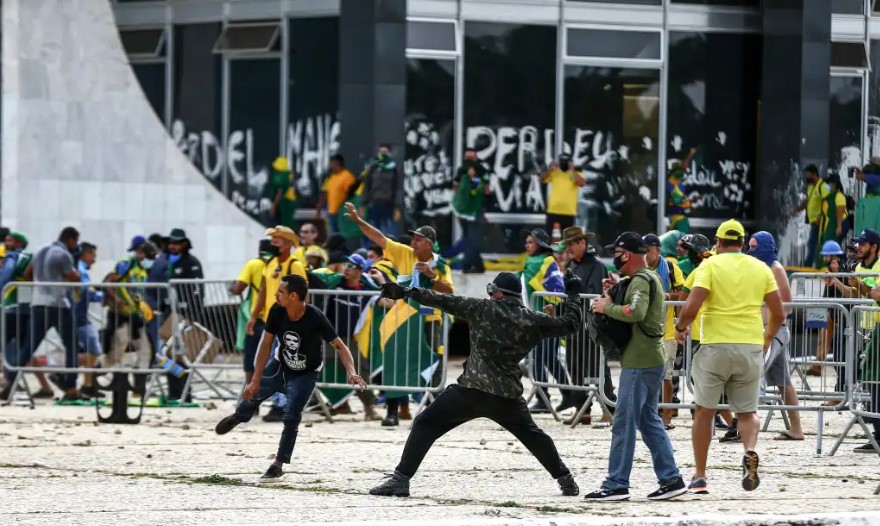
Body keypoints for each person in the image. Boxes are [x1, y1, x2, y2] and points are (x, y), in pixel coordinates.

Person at [368, 271, 584, 498]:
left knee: (424, 424)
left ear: (498, 293)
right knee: (534, 436)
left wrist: (405, 292)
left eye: (492, 291)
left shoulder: (482, 308)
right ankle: (566, 480)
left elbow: (442, 300)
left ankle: (400, 480)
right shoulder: (533, 320)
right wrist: (573, 295)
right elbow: (571, 324)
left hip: (471, 391)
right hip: (507, 396)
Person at [214, 274, 366, 481]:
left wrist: (351, 371)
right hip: (280, 365)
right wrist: (256, 378)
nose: (276, 294)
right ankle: (239, 416)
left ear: (293, 296)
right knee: (251, 396)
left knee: (292, 415)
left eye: (280, 291)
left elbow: (340, 346)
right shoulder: (277, 311)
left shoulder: (315, 317)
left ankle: (278, 465)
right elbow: (265, 344)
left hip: (305, 373)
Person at [675, 219, 784, 494]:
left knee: (704, 411)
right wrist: (768, 336)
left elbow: (692, 304)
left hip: (715, 346)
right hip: (750, 345)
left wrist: (680, 327)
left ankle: (700, 477)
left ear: (719, 242)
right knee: (747, 413)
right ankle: (749, 450)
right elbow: (779, 312)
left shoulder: (710, 265)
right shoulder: (760, 268)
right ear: (743, 243)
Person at [585, 233, 685, 501]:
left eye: (617, 252)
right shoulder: (643, 279)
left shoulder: (642, 279)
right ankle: (671, 479)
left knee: (623, 421)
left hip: (640, 363)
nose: (615, 257)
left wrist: (606, 308)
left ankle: (616, 483)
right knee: (648, 420)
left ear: (627, 254)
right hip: (647, 359)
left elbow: (637, 312)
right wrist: (615, 292)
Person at [344, 202, 454, 414]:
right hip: (402, 319)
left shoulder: (441, 265)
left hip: (430, 319)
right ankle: (394, 410)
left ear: (430, 244)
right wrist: (358, 221)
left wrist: (433, 278)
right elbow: (379, 238)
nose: (413, 242)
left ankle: (432, 409)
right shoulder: (405, 254)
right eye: (412, 238)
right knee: (396, 361)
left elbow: (448, 291)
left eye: (418, 239)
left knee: (432, 363)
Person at [3, 227, 84, 401]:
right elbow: (73, 277)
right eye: (75, 242)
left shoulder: (40, 250)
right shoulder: (63, 255)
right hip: (59, 304)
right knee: (71, 345)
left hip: (38, 303)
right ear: (70, 240)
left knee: (28, 347)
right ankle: (70, 385)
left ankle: (10, 380)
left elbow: (27, 274)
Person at [247, 226, 308, 422]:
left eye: (277, 239)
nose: (273, 242)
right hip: (271, 321)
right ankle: (274, 402)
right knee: (270, 364)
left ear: (288, 243)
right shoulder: (270, 263)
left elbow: (304, 295)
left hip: (288, 322)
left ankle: (281, 405)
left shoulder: (295, 265)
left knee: (282, 365)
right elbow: (264, 292)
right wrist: (253, 315)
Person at [747, 232, 804, 441]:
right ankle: (796, 428)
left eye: (754, 247)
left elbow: (786, 304)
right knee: (783, 382)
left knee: (753, 374)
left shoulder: (776, 269)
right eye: (749, 246)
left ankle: (744, 425)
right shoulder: (760, 269)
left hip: (775, 331)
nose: (750, 250)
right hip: (768, 330)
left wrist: (768, 328)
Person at [311, 254, 381, 420]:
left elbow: (384, 296)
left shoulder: (366, 287)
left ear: (360, 270)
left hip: (346, 337)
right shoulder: (336, 280)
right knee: (317, 366)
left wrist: (382, 281)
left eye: (352, 266)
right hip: (326, 334)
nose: (347, 268)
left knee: (360, 369)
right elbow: (315, 278)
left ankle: (369, 409)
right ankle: (339, 404)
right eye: (346, 264)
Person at [556, 226, 614, 425]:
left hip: (590, 326)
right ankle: (582, 410)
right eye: (567, 244)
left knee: (598, 368)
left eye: (573, 243)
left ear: (583, 243)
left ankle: (610, 409)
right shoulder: (572, 265)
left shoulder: (596, 265)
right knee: (576, 369)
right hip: (574, 326)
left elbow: (592, 294)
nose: (569, 247)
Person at [518, 229, 566, 414]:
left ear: (538, 244)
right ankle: (565, 394)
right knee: (546, 359)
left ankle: (545, 398)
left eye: (530, 242)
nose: (526, 245)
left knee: (540, 359)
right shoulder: (543, 262)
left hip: (546, 318)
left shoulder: (542, 262)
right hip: (541, 318)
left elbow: (553, 289)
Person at [103, 240, 158, 396]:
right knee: (116, 353)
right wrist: (117, 301)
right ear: (140, 253)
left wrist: (141, 304)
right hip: (119, 315)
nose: (150, 261)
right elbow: (109, 284)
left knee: (146, 350)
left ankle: (138, 390)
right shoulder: (126, 264)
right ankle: (95, 376)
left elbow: (134, 291)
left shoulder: (143, 270)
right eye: (148, 257)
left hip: (133, 315)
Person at [644, 233, 683, 429]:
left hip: (667, 329)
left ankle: (667, 414)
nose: (645, 255)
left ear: (657, 250)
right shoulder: (639, 269)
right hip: (644, 329)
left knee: (666, 375)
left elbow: (683, 294)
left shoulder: (670, 267)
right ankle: (649, 412)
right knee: (645, 373)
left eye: (648, 250)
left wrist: (666, 296)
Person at [230, 239, 278, 386]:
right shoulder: (277, 265)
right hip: (275, 318)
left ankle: (251, 396)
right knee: (273, 358)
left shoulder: (253, 264)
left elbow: (238, 289)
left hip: (257, 319)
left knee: (251, 359)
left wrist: (232, 286)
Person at [452, 148, 492, 274]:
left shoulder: (482, 171)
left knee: (473, 238)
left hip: (476, 210)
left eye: (471, 158)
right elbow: (455, 185)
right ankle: (473, 265)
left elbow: (486, 190)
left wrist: (474, 181)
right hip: (463, 210)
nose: (469, 162)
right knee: (467, 237)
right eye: (467, 158)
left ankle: (471, 264)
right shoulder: (461, 171)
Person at [73, 242, 104, 398]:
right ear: (85, 254)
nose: (94, 260)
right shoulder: (80, 270)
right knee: (93, 349)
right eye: (92, 255)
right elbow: (87, 293)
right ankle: (63, 370)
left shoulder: (80, 269)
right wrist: (107, 296)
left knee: (90, 351)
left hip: (78, 315)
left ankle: (88, 385)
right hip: (78, 317)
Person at [361, 143, 403, 237]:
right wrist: (363, 204)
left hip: (388, 204)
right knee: (373, 232)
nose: (382, 154)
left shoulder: (394, 169)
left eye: (385, 152)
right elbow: (367, 186)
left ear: (390, 153)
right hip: (374, 203)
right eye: (381, 152)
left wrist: (397, 207)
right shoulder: (373, 168)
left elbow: (398, 188)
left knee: (389, 233)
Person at [794, 164, 830, 267]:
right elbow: (808, 202)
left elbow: (828, 202)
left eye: (808, 175)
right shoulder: (811, 187)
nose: (806, 177)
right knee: (812, 244)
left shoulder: (823, 186)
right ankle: (811, 264)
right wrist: (796, 210)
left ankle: (809, 265)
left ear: (815, 174)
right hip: (813, 221)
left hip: (821, 221)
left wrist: (821, 215)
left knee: (813, 244)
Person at [541, 154, 586, 233]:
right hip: (553, 210)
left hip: (568, 211)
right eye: (562, 162)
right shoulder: (555, 172)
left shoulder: (577, 171)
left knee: (567, 240)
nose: (564, 164)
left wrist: (572, 170)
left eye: (566, 162)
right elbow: (541, 179)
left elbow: (582, 183)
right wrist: (550, 170)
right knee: (547, 237)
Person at [316, 154, 358, 234]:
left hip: (342, 213)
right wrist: (319, 206)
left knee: (342, 235)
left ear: (337, 163)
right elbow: (325, 192)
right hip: (331, 212)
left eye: (332, 163)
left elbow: (351, 195)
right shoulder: (331, 177)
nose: (330, 165)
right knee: (332, 235)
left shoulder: (347, 176)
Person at [666, 148, 697, 233]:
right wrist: (690, 154)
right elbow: (677, 202)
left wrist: (692, 201)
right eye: (680, 169)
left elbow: (682, 203)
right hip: (674, 217)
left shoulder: (679, 184)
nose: (684, 171)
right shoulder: (671, 182)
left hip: (677, 215)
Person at [819, 173, 850, 254]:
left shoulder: (839, 196)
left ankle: (841, 263)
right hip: (834, 224)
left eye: (829, 183)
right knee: (833, 246)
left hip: (841, 223)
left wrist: (839, 226)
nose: (827, 185)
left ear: (834, 184)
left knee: (835, 246)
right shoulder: (830, 196)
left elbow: (840, 211)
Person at [269, 156, 297, 230]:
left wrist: (274, 206)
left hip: (283, 203)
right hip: (290, 202)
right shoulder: (289, 175)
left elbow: (279, 192)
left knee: (282, 227)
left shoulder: (281, 177)